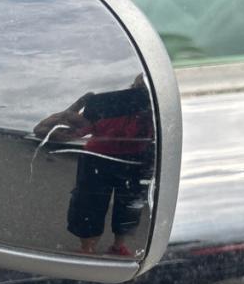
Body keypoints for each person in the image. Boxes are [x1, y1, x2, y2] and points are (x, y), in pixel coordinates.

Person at [34, 74, 155, 256]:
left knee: (129, 206)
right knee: (89, 204)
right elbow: (46, 131)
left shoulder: (156, 114)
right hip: (97, 159)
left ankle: (118, 246)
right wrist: (65, 115)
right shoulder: (107, 107)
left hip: (137, 161)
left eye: (146, 92)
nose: (140, 98)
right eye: (139, 91)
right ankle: (87, 248)